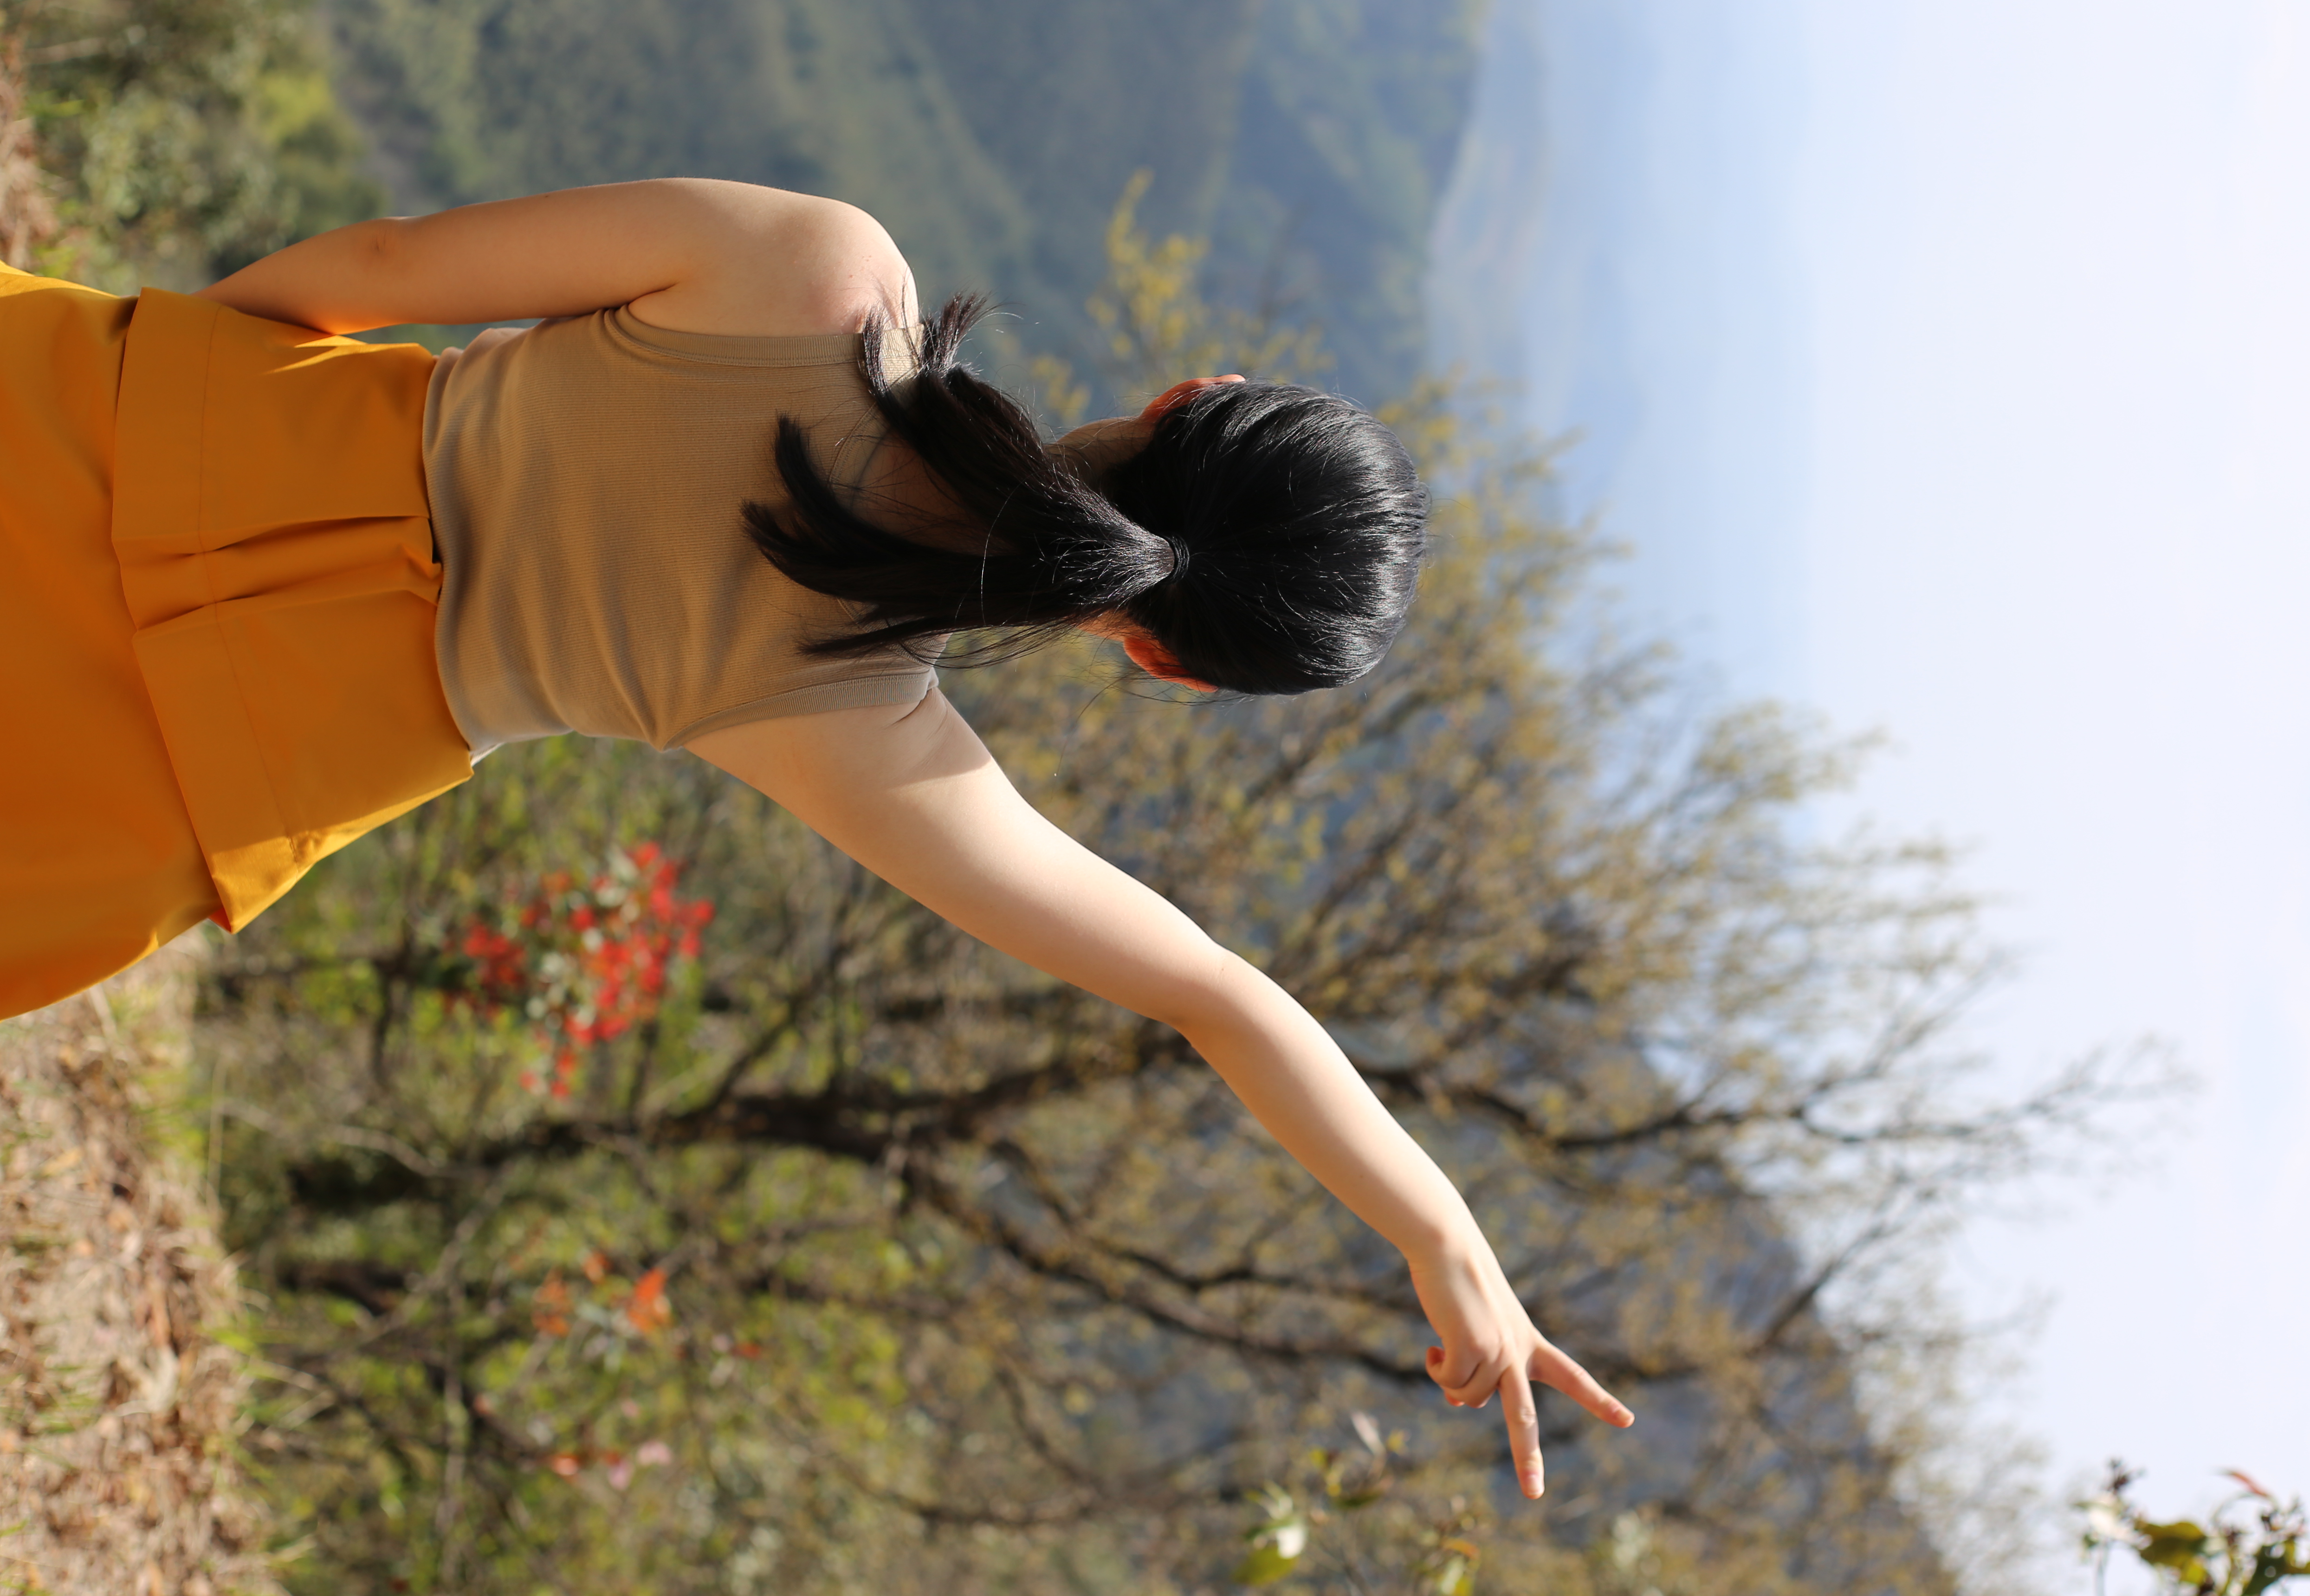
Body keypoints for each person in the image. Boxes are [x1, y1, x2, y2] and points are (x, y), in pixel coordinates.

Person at [0, 178, 1632, 1495]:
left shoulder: (820, 276)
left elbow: (379, 261)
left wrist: (176, 404)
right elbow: (1219, 998)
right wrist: (1446, 1240)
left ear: (1185, 394)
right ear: (1159, 654)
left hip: (141, 435)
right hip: (205, 761)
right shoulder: (872, 736)